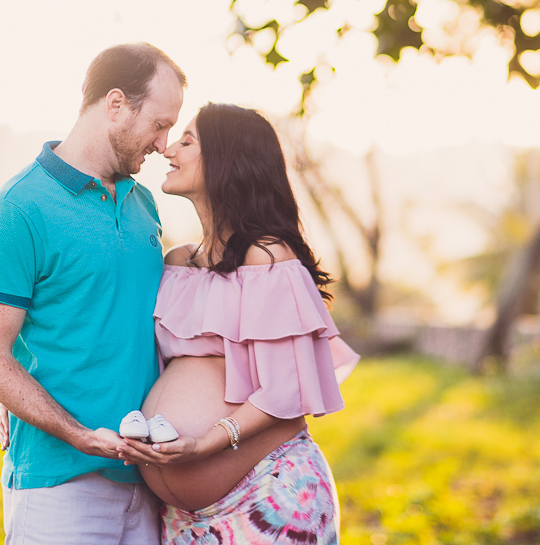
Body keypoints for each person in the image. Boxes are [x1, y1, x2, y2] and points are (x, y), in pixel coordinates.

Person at [0, 42, 186, 544]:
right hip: (58, 487)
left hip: (146, 481)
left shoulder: (143, 203)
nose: (163, 144)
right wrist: (81, 436)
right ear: (116, 105)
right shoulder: (16, 209)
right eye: (159, 124)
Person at [115, 103, 359, 544]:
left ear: (226, 160)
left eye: (187, 141)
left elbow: (284, 391)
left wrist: (203, 445)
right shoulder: (177, 262)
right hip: (182, 521)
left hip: (267, 498)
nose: (168, 150)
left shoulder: (267, 258)